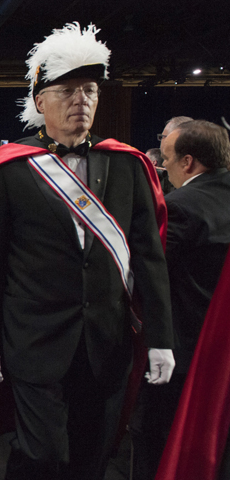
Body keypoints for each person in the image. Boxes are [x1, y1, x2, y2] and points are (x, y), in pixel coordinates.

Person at [0, 23, 174, 480]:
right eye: (68, 91)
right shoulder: (11, 168)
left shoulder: (128, 164)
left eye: (90, 91)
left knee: (92, 456)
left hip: (106, 341)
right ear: (40, 102)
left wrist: (160, 336)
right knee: (40, 455)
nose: (81, 100)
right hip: (33, 340)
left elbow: (149, 257)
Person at [130, 120, 230, 480]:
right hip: (221, 356)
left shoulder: (181, 206)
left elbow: (145, 274)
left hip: (182, 352)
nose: (164, 169)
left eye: (167, 160)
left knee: (157, 441)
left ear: (188, 162)